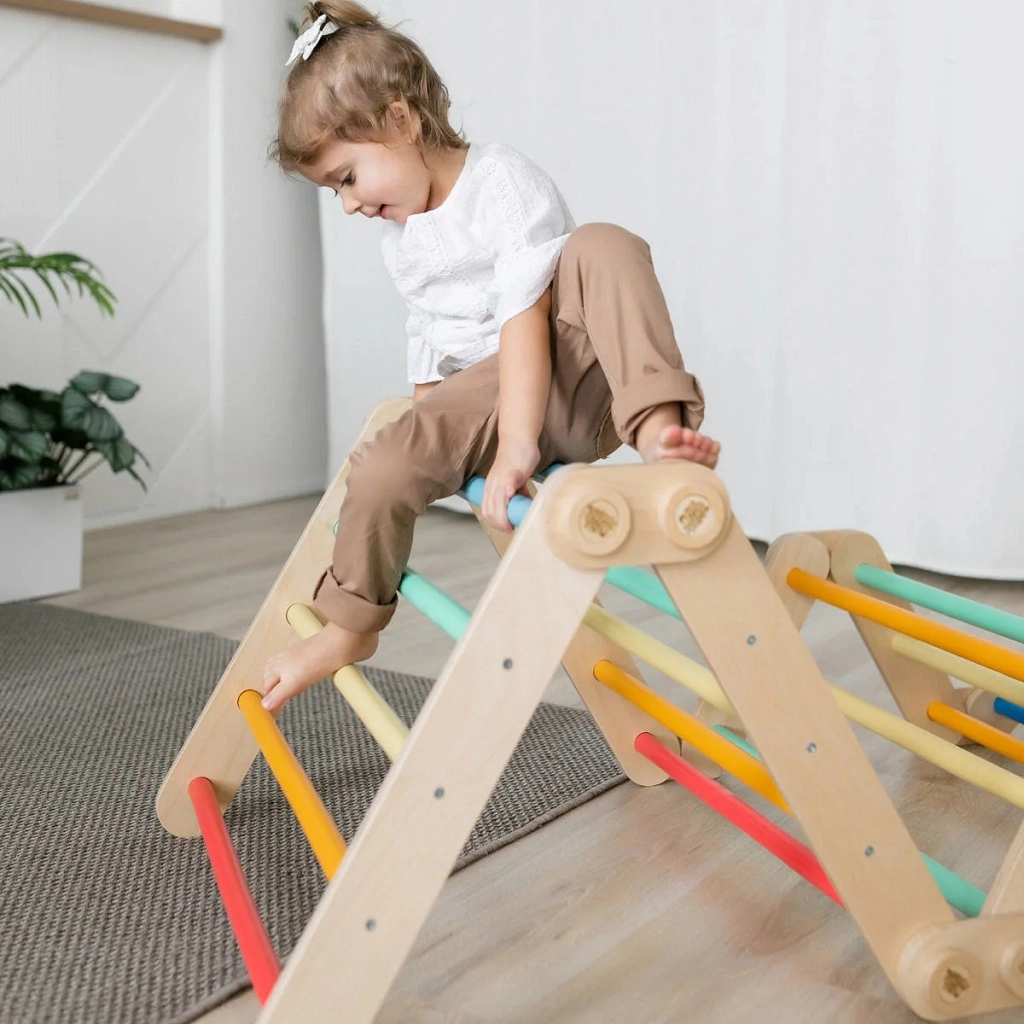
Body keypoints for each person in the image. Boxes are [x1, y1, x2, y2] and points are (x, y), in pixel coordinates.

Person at [261, 0, 720, 711]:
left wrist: (517, 445)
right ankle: (349, 626)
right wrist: (427, 429)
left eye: (347, 178)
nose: (347, 204)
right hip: (488, 398)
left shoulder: (500, 182)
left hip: (577, 381)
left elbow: (524, 314)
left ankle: (661, 432)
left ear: (400, 121)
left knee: (603, 245)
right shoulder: (400, 237)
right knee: (378, 466)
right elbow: (429, 333)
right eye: (333, 190)